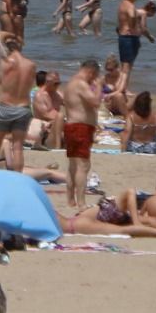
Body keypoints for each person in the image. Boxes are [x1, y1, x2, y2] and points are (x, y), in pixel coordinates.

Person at [0, 32, 35, 175]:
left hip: (6, 107)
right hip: (23, 109)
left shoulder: (6, 61)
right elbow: (21, 83)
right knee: (18, 147)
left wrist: (11, 34)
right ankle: (18, 178)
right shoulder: (31, 65)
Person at [62, 59, 101, 208]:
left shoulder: (71, 82)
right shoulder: (81, 84)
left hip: (72, 125)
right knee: (83, 166)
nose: (93, 81)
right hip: (80, 127)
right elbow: (96, 102)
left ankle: (71, 199)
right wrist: (99, 87)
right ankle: (81, 202)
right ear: (91, 72)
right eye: (94, 77)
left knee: (73, 165)